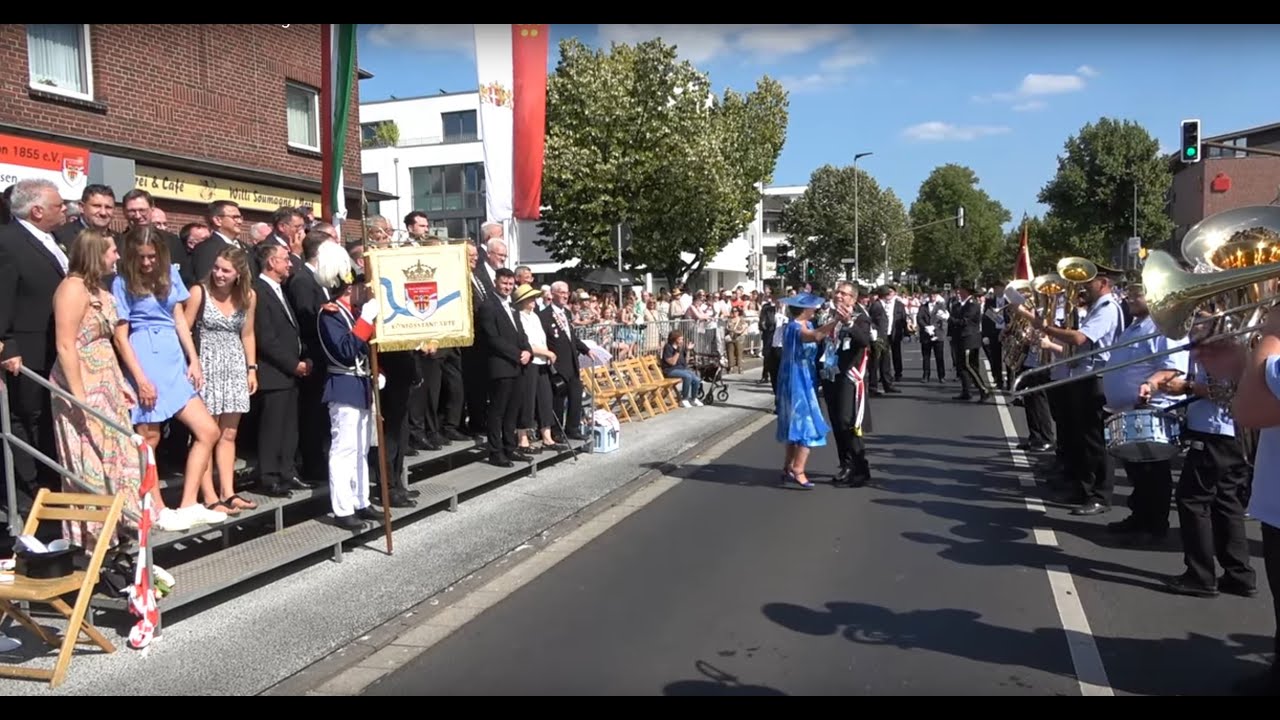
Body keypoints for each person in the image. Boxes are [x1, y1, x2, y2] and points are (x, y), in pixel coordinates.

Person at [314, 242, 381, 530]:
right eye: (359, 286)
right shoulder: (330, 315)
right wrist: (366, 319)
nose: (362, 291)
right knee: (343, 450)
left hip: (360, 384)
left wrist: (376, 371)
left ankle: (361, 500)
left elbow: (364, 348)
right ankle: (342, 508)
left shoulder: (350, 314)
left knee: (361, 448)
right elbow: (345, 350)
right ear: (347, 288)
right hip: (343, 384)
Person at [776, 292, 842, 489]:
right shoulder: (794, 327)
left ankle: (788, 466)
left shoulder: (808, 324)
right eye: (812, 306)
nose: (815, 308)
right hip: (796, 378)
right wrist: (837, 319)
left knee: (794, 424)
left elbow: (818, 336)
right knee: (807, 424)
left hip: (805, 376)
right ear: (804, 310)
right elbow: (814, 337)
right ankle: (798, 468)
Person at [820, 282, 873, 487]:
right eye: (837, 292)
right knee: (836, 422)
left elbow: (864, 340)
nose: (839, 296)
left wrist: (849, 324)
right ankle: (846, 464)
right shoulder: (829, 316)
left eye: (844, 293)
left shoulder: (860, 318)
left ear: (853, 298)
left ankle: (860, 468)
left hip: (849, 377)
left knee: (848, 422)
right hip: (831, 374)